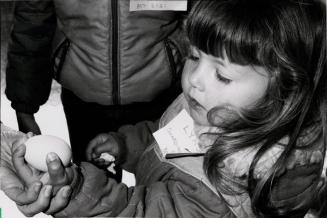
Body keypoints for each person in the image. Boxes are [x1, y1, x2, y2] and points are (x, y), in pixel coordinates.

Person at [1, 0, 326, 217]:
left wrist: (77, 192)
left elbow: (140, 212)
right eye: (195, 56)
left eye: (222, 74)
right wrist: (129, 144)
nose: (194, 79)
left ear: (284, 92)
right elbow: (172, 131)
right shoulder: (215, 104)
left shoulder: (229, 186)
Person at [5, 0, 187, 172]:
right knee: (94, 186)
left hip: (162, 95)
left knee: (162, 180)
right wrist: (24, 106)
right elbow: (31, 23)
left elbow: (202, 14)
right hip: (84, 99)